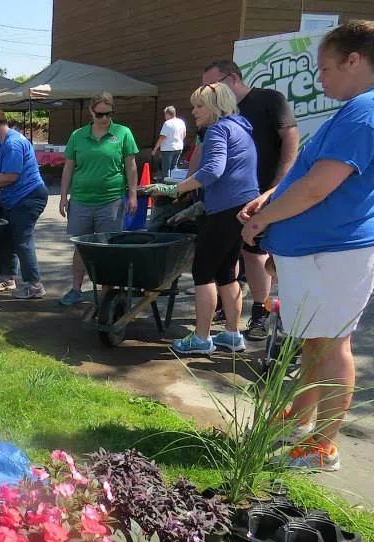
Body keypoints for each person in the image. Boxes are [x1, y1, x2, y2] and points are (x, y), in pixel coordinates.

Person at [239, 20, 374, 471]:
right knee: (314, 340)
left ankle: (322, 446)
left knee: (332, 345)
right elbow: (307, 176)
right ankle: (301, 421)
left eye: (326, 69)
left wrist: (263, 218)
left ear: (355, 60)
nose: (320, 79)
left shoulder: (364, 111)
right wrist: (270, 198)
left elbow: (319, 186)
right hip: (319, 252)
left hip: (333, 251)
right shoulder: (354, 108)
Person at [145, 82, 259, 355]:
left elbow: (211, 171)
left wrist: (172, 189)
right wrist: (195, 208)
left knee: (203, 272)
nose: (194, 111)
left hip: (225, 212)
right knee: (226, 272)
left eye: (199, 106)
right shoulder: (240, 127)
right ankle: (232, 335)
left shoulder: (219, 130)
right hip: (241, 210)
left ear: (216, 106)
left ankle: (201, 338)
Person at [202, 59, 299, 340]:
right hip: (224, 198)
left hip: (260, 194)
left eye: (212, 84)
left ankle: (260, 311)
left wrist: (277, 186)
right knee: (227, 252)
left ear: (232, 78)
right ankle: (227, 310)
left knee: (254, 253)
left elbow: (291, 139)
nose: (207, 90)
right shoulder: (218, 108)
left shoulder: (269, 100)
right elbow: (203, 147)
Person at [58, 92, 139, 306]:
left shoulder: (123, 133)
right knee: (81, 246)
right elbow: (68, 168)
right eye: (100, 114)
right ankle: (76, 289)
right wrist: (63, 196)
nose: (104, 119)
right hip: (81, 200)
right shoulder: (77, 135)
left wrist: (133, 194)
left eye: (108, 114)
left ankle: (106, 296)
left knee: (108, 249)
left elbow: (131, 166)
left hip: (111, 201)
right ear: (91, 112)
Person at [0, 105, 48, 299]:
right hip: (14, 198)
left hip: (29, 197)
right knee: (7, 236)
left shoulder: (12, 144)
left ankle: (35, 285)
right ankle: (8, 277)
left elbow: (11, 176)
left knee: (23, 240)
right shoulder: (1, 142)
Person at [152, 106, 186, 178]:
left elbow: (162, 138)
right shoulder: (181, 122)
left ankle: (166, 186)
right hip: (179, 148)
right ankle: (174, 186)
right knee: (174, 169)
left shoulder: (167, 123)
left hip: (168, 149)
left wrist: (155, 149)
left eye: (165, 114)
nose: (164, 116)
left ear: (167, 114)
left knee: (166, 169)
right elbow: (184, 134)